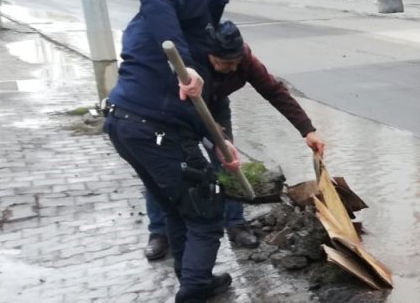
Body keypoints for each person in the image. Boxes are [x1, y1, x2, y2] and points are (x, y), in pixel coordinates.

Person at [104, 0, 242, 303]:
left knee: (178, 209)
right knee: (206, 214)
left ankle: (195, 281)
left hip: (127, 122)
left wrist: (220, 141)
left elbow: (189, 101)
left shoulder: (186, 25)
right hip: (154, 130)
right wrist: (182, 60)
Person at [140, 21, 327, 253]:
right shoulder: (191, 59)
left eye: (234, 63)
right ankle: (158, 232)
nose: (230, 68)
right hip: (177, 109)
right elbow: (184, 107)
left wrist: (307, 130)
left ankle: (236, 223)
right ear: (209, 54)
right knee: (164, 167)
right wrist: (214, 137)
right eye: (223, 62)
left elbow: (274, 91)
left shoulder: (244, 61)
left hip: (216, 106)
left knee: (228, 162)